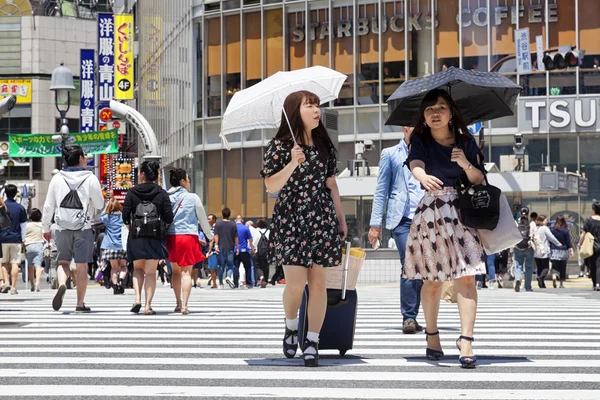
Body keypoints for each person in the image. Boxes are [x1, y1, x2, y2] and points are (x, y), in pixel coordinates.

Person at [261, 90, 346, 367]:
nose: (316, 110)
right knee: (296, 284)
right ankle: (290, 325)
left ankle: (312, 340)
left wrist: (341, 219)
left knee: (318, 283)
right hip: (290, 218)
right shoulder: (279, 146)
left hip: (321, 216)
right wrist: (291, 163)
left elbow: (331, 185)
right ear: (294, 111)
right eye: (309, 105)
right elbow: (271, 186)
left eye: (317, 105)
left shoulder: (324, 145)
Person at [403, 88, 486, 369]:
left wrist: (464, 162)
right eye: (429, 110)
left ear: (451, 114)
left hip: (463, 213)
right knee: (432, 280)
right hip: (431, 213)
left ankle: (466, 340)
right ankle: (432, 334)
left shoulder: (466, 142)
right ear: (424, 118)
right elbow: (415, 163)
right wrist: (422, 175)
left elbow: (479, 179)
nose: (435, 113)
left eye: (440, 107)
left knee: (467, 277)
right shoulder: (420, 140)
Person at [368, 126, 425, 334]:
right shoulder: (390, 154)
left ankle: (413, 315)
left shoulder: (428, 150)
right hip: (401, 220)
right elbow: (381, 190)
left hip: (426, 218)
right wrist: (375, 225)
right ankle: (409, 318)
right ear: (405, 128)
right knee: (410, 263)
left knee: (420, 268)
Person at [42, 146, 104, 312]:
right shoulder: (90, 178)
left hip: (61, 226)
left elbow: (48, 206)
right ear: (82, 158)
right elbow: (100, 204)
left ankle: (62, 284)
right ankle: (80, 304)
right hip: (83, 227)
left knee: (63, 262)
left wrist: (46, 227)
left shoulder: (57, 178)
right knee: (82, 266)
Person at [122, 160, 173, 315]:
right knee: (150, 272)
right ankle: (147, 306)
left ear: (142, 174)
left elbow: (125, 216)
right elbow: (169, 217)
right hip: (154, 236)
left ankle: (137, 299)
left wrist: (132, 229)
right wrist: (162, 231)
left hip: (136, 236)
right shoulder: (161, 193)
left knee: (137, 269)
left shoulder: (132, 192)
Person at [166, 168, 213, 314]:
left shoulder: (166, 197)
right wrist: (209, 236)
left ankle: (178, 303)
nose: (189, 182)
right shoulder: (193, 198)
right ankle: (185, 305)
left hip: (171, 237)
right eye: (188, 179)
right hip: (188, 236)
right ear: (182, 181)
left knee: (175, 272)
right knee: (187, 272)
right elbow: (203, 219)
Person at [0, 185, 27, 295]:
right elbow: (23, 225)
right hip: (16, 237)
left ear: (5, 193)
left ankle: (6, 282)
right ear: (16, 193)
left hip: (2, 237)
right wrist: (23, 239)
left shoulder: (2, 207)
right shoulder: (20, 208)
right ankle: (13, 287)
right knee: (15, 262)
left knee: (3, 263)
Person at [100, 198, 127, 295]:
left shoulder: (107, 217)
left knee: (114, 268)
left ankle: (115, 285)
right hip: (122, 245)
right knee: (123, 266)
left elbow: (101, 216)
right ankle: (121, 280)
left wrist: (106, 207)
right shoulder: (123, 216)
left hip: (110, 246)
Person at [513, 207, 543, 292]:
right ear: (528, 213)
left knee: (518, 266)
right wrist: (541, 248)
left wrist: (511, 249)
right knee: (529, 267)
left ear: (520, 213)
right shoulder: (532, 223)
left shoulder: (515, 223)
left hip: (517, 247)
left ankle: (518, 279)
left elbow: (511, 236)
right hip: (529, 247)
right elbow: (536, 237)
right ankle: (528, 286)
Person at [533, 215, 562, 289]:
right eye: (546, 220)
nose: (547, 221)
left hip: (536, 251)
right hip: (544, 250)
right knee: (546, 267)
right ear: (542, 221)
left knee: (539, 267)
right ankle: (541, 278)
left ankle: (542, 284)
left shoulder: (535, 228)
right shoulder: (544, 228)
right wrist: (558, 244)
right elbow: (551, 237)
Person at [213, 207, 238, 289]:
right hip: (230, 247)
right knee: (230, 266)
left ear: (222, 214)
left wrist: (216, 245)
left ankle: (221, 283)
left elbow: (216, 235)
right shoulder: (233, 225)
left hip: (221, 247)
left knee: (220, 266)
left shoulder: (218, 224)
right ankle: (228, 276)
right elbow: (236, 237)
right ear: (229, 215)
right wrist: (237, 247)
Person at [579, 201, 600, 291]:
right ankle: (598, 283)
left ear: (594, 210)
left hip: (591, 246)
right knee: (599, 265)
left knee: (592, 265)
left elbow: (583, 234)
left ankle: (595, 283)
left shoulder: (588, 220)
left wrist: (580, 243)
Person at [550, 216, 574, 289]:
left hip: (554, 250)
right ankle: (561, 283)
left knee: (555, 266)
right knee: (562, 268)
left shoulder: (552, 230)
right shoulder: (565, 231)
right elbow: (568, 242)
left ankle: (554, 275)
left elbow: (550, 240)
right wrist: (571, 251)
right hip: (563, 251)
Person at [24, 208, 45, 292]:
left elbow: (23, 235)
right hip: (39, 245)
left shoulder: (27, 225)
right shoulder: (42, 225)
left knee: (30, 266)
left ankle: (32, 283)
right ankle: (38, 283)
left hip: (28, 245)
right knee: (38, 265)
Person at [233, 215, 254, 289]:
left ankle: (235, 284)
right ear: (242, 220)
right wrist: (252, 249)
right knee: (247, 267)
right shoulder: (245, 228)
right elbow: (250, 239)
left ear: (235, 220)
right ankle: (249, 283)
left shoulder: (233, 228)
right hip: (244, 250)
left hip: (235, 250)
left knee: (235, 267)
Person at [254, 218, 270, 288]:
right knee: (266, 266)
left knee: (258, 266)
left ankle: (261, 277)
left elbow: (254, 242)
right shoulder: (268, 231)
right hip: (267, 251)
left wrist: (253, 250)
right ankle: (265, 280)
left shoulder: (256, 231)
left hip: (258, 252)